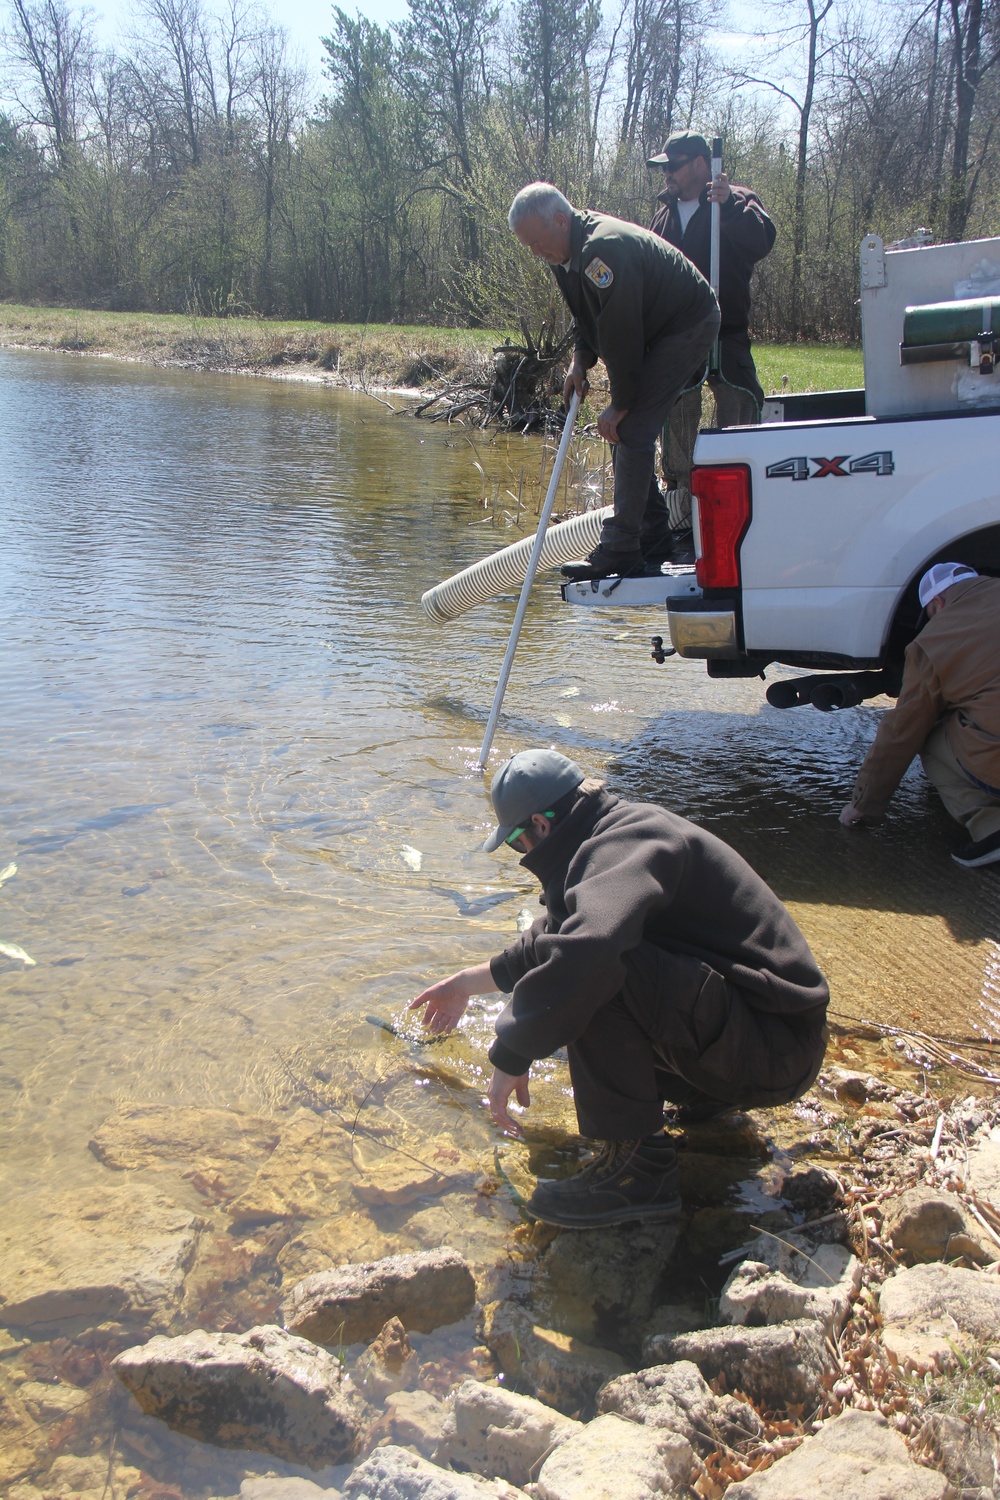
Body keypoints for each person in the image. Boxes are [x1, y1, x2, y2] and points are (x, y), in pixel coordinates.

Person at [409, 749, 829, 1229]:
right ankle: (706, 1101)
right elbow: (551, 940)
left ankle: (638, 1172)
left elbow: (588, 952)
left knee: (599, 971)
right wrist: (464, 984)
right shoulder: (608, 845)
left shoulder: (625, 844)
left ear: (542, 827)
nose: (522, 854)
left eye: (516, 843)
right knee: (586, 963)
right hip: (764, 1041)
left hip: (777, 1051)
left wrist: (512, 1053)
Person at [507, 182, 720, 581]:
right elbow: (588, 317)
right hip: (653, 329)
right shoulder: (565, 254)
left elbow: (621, 335)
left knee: (633, 427)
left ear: (559, 219)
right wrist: (578, 363)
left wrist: (620, 403)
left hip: (687, 323)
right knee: (625, 429)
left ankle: (621, 548)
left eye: (537, 243)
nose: (536, 254)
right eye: (528, 248)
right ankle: (653, 533)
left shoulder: (601, 250)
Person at [646, 133, 776, 549]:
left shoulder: (735, 200)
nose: (667, 174)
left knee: (739, 402)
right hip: (679, 335)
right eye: (664, 167)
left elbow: (762, 241)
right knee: (679, 409)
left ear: (703, 164)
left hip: (728, 329)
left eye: (675, 165)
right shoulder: (663, 218)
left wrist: (731, 206)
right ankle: (683, 512)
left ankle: (742, 510)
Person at [839, 563, 1000, 868]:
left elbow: (902, 732)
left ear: (937, 605)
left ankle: (991, 827)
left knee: (930, 733)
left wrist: (863, 804)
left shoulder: (933, 641)